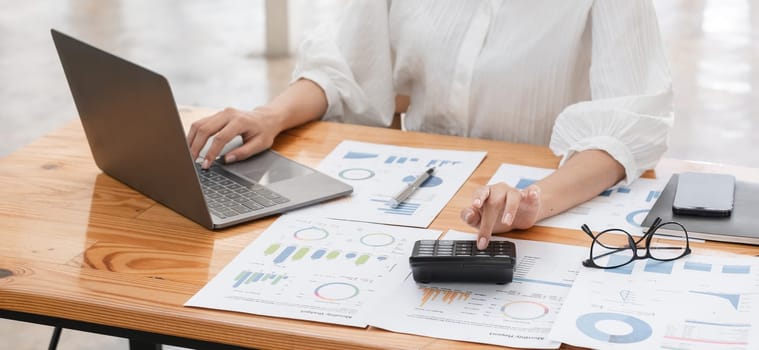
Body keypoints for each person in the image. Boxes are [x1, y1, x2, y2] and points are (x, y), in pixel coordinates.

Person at [187, 1, 673, 250]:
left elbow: (627, 128)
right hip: (419, 202)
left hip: (542, 218)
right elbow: (347, 68)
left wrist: (532, 202)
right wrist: (268, 116)